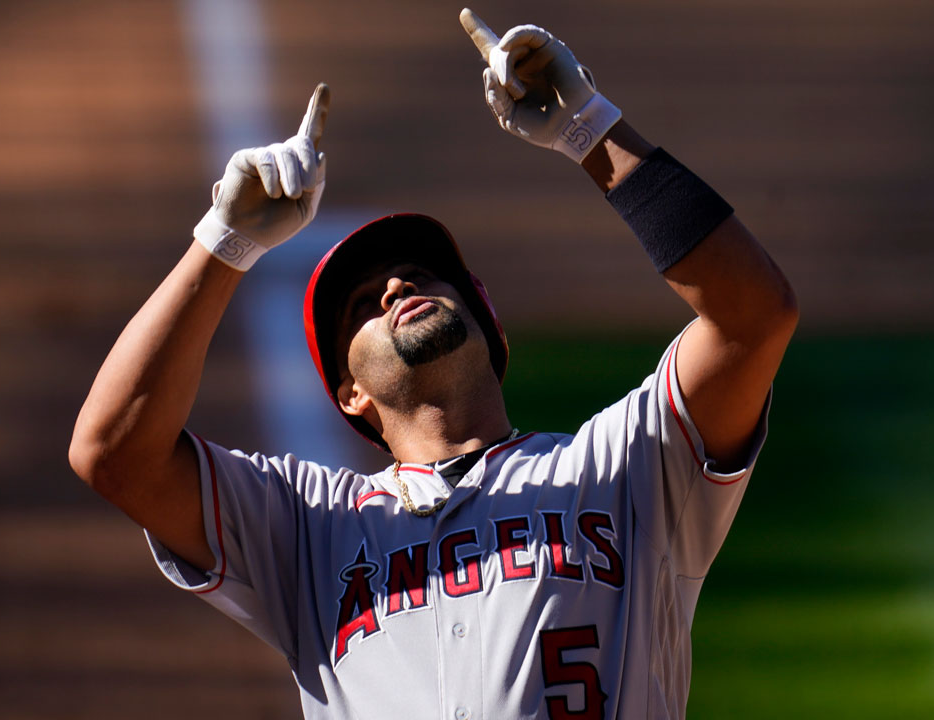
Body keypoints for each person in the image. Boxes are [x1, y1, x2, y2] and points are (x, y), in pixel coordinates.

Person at [69, 9, 797, 719]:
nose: (395, 288)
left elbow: (753, 317)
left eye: (422, 276)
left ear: (489, 329)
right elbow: (113, 453)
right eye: (362, 304)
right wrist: (223, 242)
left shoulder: (619, 473)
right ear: (350, 394)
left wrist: (591, 130)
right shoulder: (305, 528)